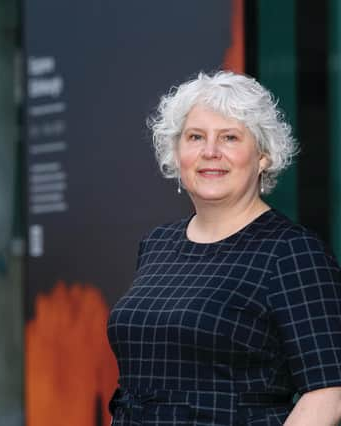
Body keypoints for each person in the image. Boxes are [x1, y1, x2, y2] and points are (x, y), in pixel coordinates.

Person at [107, 71, 341, 425]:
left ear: (263, 156)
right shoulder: (157, 244)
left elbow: (328, 393)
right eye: (195, 137)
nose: (210, 152)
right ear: (177, 152)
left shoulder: (292, 252)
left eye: (230, 138)